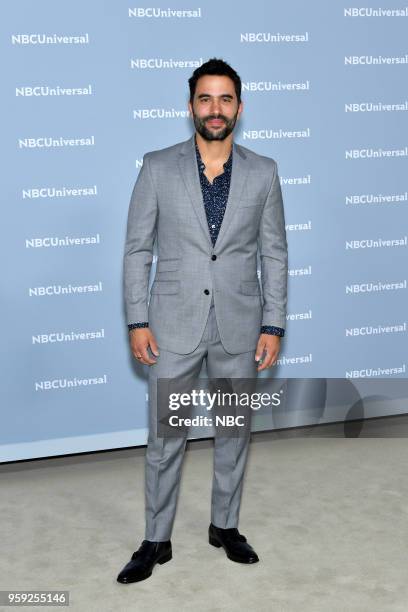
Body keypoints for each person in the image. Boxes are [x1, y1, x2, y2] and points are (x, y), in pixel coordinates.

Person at [117, 57, 288, 584]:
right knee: (166, 436)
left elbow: (275, 254)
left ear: (240, 106)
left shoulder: (264, 171)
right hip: (172, 322)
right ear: (190, 105)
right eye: (206, 99)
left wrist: (273, 324)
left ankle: (225, 526)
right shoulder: (157, 166)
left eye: (226, 99)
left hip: (240, 322)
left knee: (234, 431)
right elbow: (136, 250)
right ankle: (155, 539)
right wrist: (138, 319)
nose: (216, 109)